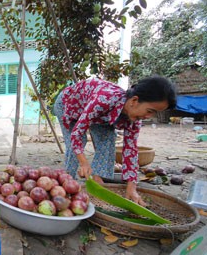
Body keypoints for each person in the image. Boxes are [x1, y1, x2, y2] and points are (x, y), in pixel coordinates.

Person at [53, 76, 177, 205]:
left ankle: (98, 181)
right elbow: (77, 133)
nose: (148, 117)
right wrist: (84, 163)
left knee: (107, 139)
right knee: (77, 145)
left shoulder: (134, 119)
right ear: (134, 100)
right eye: (150, 111)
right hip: (69, 104)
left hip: (98, 113)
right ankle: (67, 184)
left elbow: (130, 151)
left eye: (154, 114)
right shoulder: (104, 99)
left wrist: (131, 187)